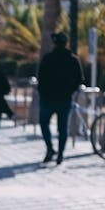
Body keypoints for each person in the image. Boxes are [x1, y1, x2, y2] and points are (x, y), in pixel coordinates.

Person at [38, 31, 84, 165]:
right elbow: (79, 79)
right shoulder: (72, 59)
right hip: (64, 98)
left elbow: (40, 77)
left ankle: (50, 148)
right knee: (62, 128)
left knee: (44, 123)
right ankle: (60, 154)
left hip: (48, 98)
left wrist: (42, 91)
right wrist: (70, 90)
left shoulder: (48, 58)